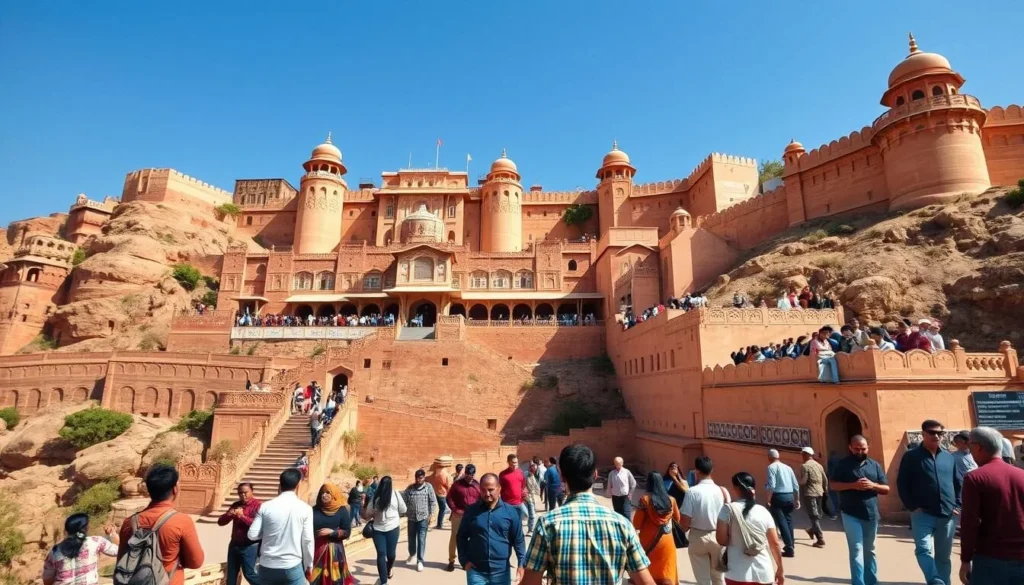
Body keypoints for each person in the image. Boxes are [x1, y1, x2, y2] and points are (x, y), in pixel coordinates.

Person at [521, 443, 656, 585]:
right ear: (595, 475)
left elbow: (531, 581)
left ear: (562, 477)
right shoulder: (623, 525)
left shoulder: (547, 524)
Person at [117, 465, 204, 585]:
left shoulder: (129, 522)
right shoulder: (181, 521)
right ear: (175, 489)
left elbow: (121, 560)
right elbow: (196, 562)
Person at [959, 426, 1024, 585]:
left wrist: (966, 559)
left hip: (990, 559)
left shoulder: (975, 478)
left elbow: (970, 523)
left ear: (978, 447)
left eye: (970, 446)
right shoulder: (1021, 475)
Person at [897, 419, 959, 585]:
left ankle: (944, 582)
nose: (936, 436)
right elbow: (902, 483)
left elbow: (957, 482)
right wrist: (911, 506)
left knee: (943, 557)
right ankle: (934, 580)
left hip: (946, 514)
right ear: (923, 434)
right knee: (923, 550)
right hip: (922, 513)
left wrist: (957, 505)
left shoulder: (948, 457)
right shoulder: (911, 457)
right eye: (932, 432)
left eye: (940, 433)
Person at [830, 435, 889, 585]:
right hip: (850, 513)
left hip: (871, 514)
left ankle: (871, 581)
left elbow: (886, 488)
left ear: (868, 448)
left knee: (870, 550)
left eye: (863, 448)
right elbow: (833, 485)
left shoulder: (874, 465)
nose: (860, 451)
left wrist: (873, 485)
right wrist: (853, 485)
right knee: (856, 549)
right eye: (856, 449)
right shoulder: (843, 465)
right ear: (850, 447)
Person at [715, 472, 785, 585]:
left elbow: (721, 540)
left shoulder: (727, 510)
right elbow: (775, 543)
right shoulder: (763, 511)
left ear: (736, 488)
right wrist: (780, 569)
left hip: (737, 573)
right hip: (763, 572)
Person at [457, 473, 526, 585]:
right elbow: (461, 537)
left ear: (499, 488)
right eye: (483, 490)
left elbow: (518, 540)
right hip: (476, 572)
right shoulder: (471, 511)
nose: (487, 494)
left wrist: (521, 564)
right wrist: (464, 561)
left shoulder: (510, 512)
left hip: (501, 573)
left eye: (490, 489)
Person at [247, 469, 313, 585]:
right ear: (298, 485)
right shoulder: (305, 509)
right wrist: (309, 565)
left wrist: (269, 531)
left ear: (280, 484)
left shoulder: (265, 507)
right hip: (291, 565)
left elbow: (252, 535)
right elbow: (307, 540)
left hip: (267, 565)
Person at [680, 456, 729, 585]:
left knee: (703, 580)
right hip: (719, 536)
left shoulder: (692, 492)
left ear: (696, 471)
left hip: (698, 536)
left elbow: (685, 521)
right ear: (712, 470)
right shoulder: (722, 491)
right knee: (719, 578)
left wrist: (683, 533)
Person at [632, 471, 680, 585]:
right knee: (666, 569)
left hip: (648, 540)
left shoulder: (645, 500)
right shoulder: (671, 500)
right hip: (667, 540)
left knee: (649, 570)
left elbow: (637, 524)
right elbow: (677, 519)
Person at [43, 513, 119, 585]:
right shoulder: (96, 541)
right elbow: (118, 551)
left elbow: (47, 581)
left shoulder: (55, 551)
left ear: (67, 530)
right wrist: (113, 534)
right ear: (86, 529)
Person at [363, 476, 407, 585]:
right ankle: (383, 581)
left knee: (391, 554)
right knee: (381, 553)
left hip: (393, 528)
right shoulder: (375, 497)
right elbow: (368, 514)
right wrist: (372, 512)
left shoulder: (396, 494)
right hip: (378, 529)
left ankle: (389, 568)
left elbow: (403, 509)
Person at [217, 483, 262, 585]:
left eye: (245, 492)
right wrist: (229, 515)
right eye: (240, 493)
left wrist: (242, 516)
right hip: (234, 544)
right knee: (231, 575)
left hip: (249, 546)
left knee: (249, 574)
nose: (243, 495)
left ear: (252, 492)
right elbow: (220, 522)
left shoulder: (258, 506)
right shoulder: (236, 505)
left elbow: (257, 525)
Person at [310, 483, 354, 585]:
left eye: (327, 493)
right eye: (322, 492)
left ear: (334, 495)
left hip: (335, 553)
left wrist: (332, 532)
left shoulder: (342, 510)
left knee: (335, 580)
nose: (324, 495)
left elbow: (347, 532)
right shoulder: (314, 510)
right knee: (315, 579)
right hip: (316, 550)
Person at [764, 449, 800, 558]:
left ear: (769, 457)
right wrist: (797, 499)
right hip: (789, 496)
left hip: (778, 496)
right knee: (788, 520)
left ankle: (789, 547)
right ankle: (791, 545)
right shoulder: (788, 468)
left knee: (781, 521)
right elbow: (796, 485)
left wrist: (768, 500)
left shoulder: (771, 468)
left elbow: (772, 485)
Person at [446, 464, 481, 571]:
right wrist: (455, 509)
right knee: (455, 537)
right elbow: (449, 498)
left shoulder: (477, 485)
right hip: (459, 514)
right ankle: (451, 560)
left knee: (471, 538)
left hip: (472, 515)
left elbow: (481, 499)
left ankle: (466, 561)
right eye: (469, 474)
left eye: (472, 474)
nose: (471, 476)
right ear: (465, 473)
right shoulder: (457, 485)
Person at [403, 469, 436, 572]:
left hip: (423, 518)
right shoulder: (410, 488)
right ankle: (412, 554)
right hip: (412, 518)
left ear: (424, 477)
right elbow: (404, 501)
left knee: (421, 539)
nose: (419, 479)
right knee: (411, 538)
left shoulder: (428, 487)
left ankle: (420, 561)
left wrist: (432, 515)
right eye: (418, 478)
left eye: (421, 478)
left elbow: (433, 501)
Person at [797, 446, 828, 548]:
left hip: (810, 494)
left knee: (814, 516)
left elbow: (804, 481)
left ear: (805, 455)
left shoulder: (805, 466)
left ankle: (820, 538)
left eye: (802, 454)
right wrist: (825, 491)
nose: (802, 456)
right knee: (817, 514)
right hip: (820, 492)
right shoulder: (819, 465)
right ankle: (811, 530)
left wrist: (796, 482)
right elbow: (825, 479)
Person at [498, 454, 529, 526]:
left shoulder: (520, 472)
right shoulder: (503, 475)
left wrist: (524, 495)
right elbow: (499, 488)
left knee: (519, 524)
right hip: (508, 504)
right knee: (508, 524)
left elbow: (523, 486)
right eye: (513, 462)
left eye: (516, 462)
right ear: (508, 462)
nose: (515, 464)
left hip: (519, 503)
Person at [607, 456, 638, 521]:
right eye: (616, 464)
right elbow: (609, 484)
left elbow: (633, 483)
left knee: (626, 513)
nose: (617, 466)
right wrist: (609, 493)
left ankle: (629, 528)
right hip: (615, 496)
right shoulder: (612, 473)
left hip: (625, 497)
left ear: (622, 463)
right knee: (617, 514)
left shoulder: (626, 472)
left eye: (619, 464)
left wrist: (630, 493)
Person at [428, 457, 454, 529]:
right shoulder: (445, 475)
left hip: (437, 493)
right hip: (443, 494)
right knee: (445, 508)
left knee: (440, 509)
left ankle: (439, 523)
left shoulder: (436, 474)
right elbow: (448, 486)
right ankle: (440, 524)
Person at [524, 462, 541, 535]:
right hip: (527, 497)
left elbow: (536, 486)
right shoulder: (525, 475)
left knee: (531, 513)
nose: (533, 471)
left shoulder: (533, 476)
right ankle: (530, 530)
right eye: (532, 468)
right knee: (531, 514)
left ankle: (530, 529)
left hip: (533, 497)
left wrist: (539, 494)